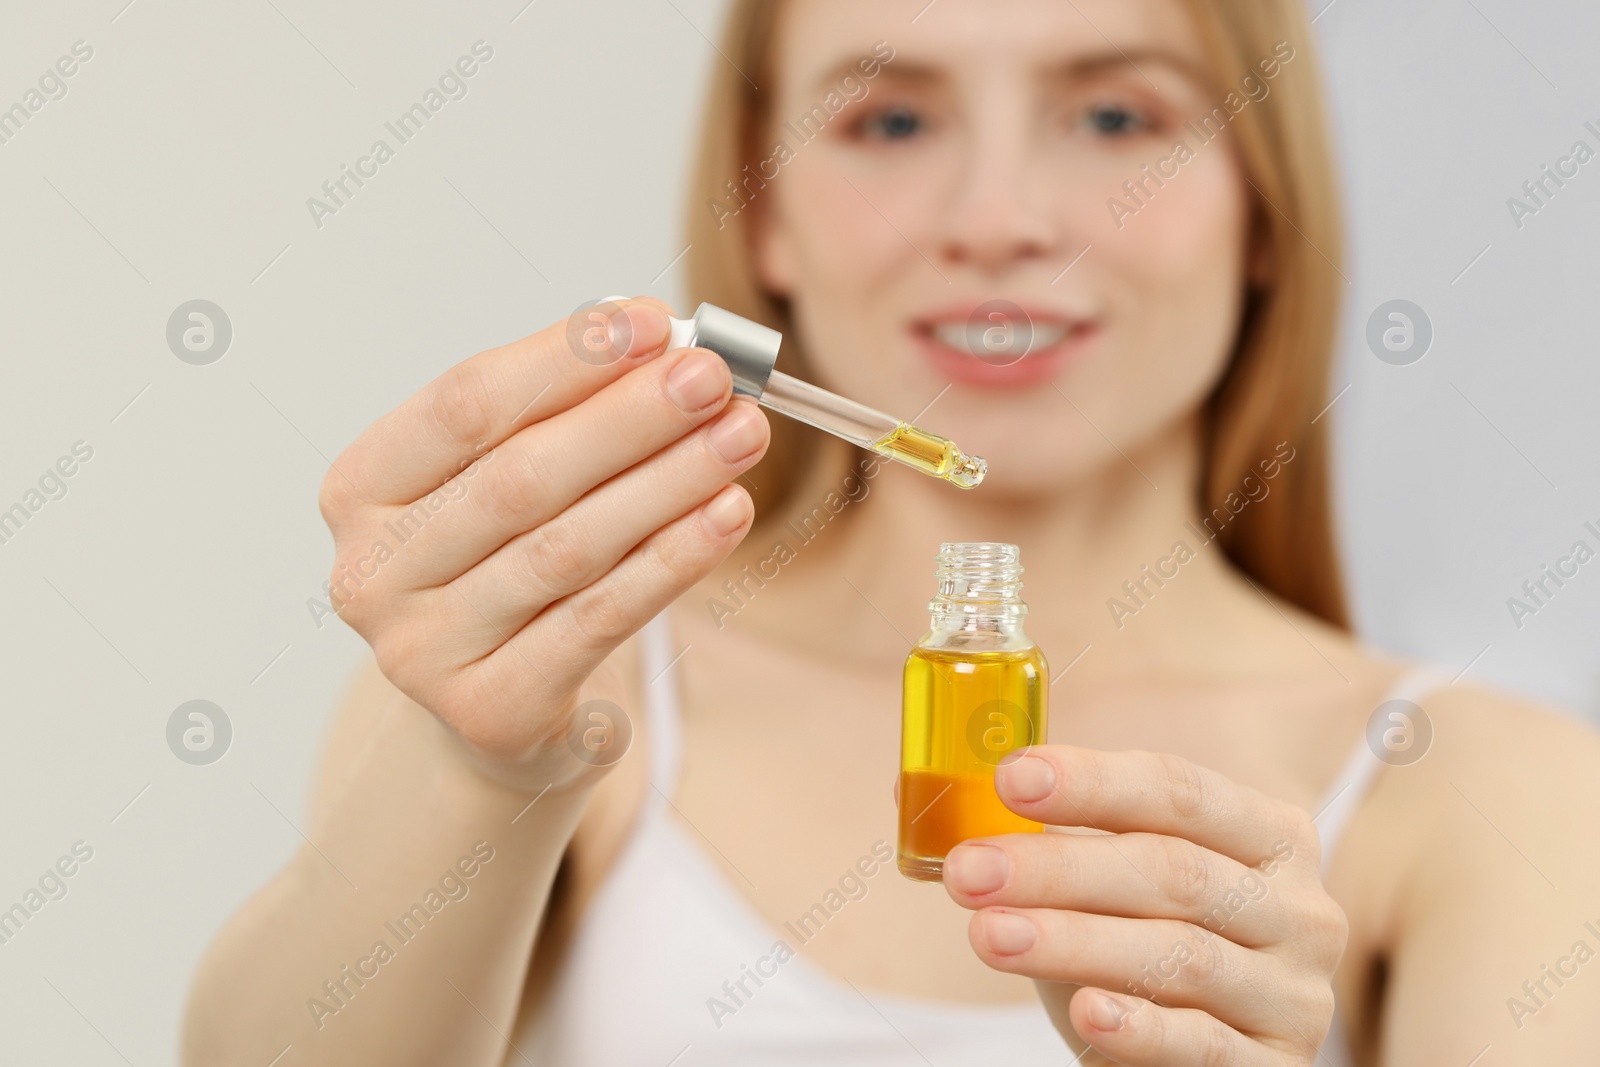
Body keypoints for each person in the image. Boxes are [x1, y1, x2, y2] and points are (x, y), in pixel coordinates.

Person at [183, 0, 1600, 1063]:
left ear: (1264, 209)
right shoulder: (570, 681)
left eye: (1118, 117)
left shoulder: (1484, 788)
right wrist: (476, 770)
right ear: (770, 199)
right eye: (889, 121)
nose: (1000, 219)